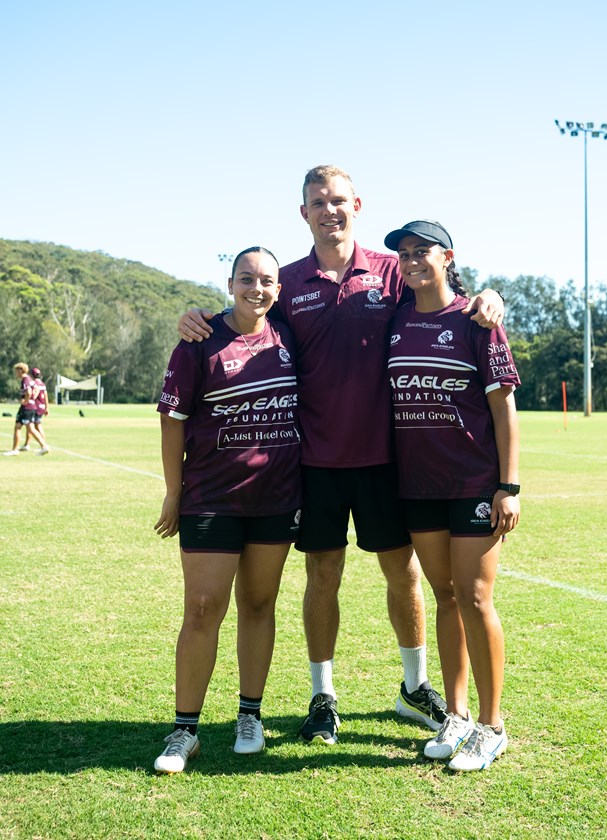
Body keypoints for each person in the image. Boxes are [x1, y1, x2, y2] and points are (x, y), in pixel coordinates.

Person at [177, 166, 505, 746]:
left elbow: (442, 299)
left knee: (400, 570)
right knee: (321, 572)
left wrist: (489, 297)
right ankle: (322, 696)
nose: (329, 210)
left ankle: (414, 687)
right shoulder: (287, 281)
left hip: (388, 459)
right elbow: (245, 319)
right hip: (314, 459)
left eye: (338, 200)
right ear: (303, 213)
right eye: (317, 202)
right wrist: (197, 319)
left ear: (358, 205)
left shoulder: (391, 270)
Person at [153, 247, 302, 773]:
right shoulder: (198, 341)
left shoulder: (291, 336)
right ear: (230, 282)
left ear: (279, 290)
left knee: (259, 605)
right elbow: (173, 420)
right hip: (212, 498)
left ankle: (250, 715)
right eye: (246, 279)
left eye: (266, 281)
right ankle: (184, 730)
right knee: (201, 608)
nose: (255, 289)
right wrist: (174, 492)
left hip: (277, 497)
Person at [384, 219, 520, 771]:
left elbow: (503, 410)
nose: (412, 260)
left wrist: (508, 487)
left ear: (448, 257)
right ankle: (457, 714)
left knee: (476, 597)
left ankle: (493, 725)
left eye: (423, 251)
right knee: (444, 595)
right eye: (405, 254)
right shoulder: (394, 319)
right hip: (418, 486)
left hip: (473, 484)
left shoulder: (475, 321)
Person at [3, 363, 49, 456]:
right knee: (31, 428)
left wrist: (26, 400)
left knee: (18, 427)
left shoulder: (25, 379)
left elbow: (28, 391)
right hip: (32, 407)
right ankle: (44, 447)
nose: (16, 373)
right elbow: (36, 390)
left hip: (26, 408)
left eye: (16, 371)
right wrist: (32, 399)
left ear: (21, 370)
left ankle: (15, 450)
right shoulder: (31, 380)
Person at [20, 367, 49, 452]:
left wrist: (27, 400)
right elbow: (46, 396)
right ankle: (29, 444)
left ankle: (41, 445)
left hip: (35, 406)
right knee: (34, 426)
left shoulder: (33, 383)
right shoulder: (42, 384)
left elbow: (34, 394)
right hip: (42, 407)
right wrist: (46, 407)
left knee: (33, 426)